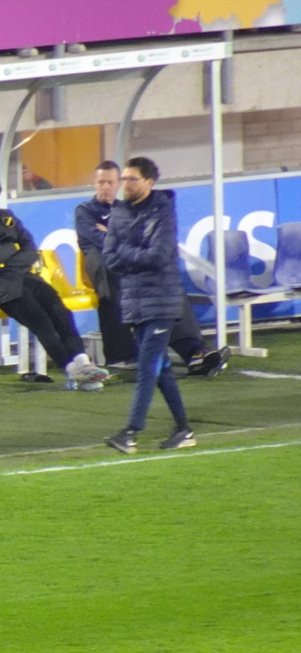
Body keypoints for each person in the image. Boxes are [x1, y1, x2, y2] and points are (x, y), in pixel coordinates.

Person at [0, 170, 108, 389]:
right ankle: (73, 371)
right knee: (42, 322)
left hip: (23, 277)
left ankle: (83, 363)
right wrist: (11, 248)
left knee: (60, 312)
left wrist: (8, 259)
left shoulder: (7, 218)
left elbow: (29, 249)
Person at [76, 160, 230, 375]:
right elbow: (103, 242)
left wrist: (113, 232)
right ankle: (124, 354)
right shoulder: (84, 211)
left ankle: (195, 351)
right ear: (94, 184)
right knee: (119, 279)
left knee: (165, 282)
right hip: (101, 266)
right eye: (101, 182)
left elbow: (137, 237)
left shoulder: (125, 209)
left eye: (111, 182)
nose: (105, 187)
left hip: (128, 262)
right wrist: (119, 235)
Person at [102, 157, 196, 453]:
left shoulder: (163, 212)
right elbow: (109, 257)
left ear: (149, 182)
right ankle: (184, 430)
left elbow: (159, 255)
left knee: (146, 367)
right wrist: (134, 254)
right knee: (161, 369)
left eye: (131, 179)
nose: (125, 185)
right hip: (135, 301)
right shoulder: (119, 213)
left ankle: (131, 432)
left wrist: (126, 253)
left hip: (161, 301)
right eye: (124, 179)